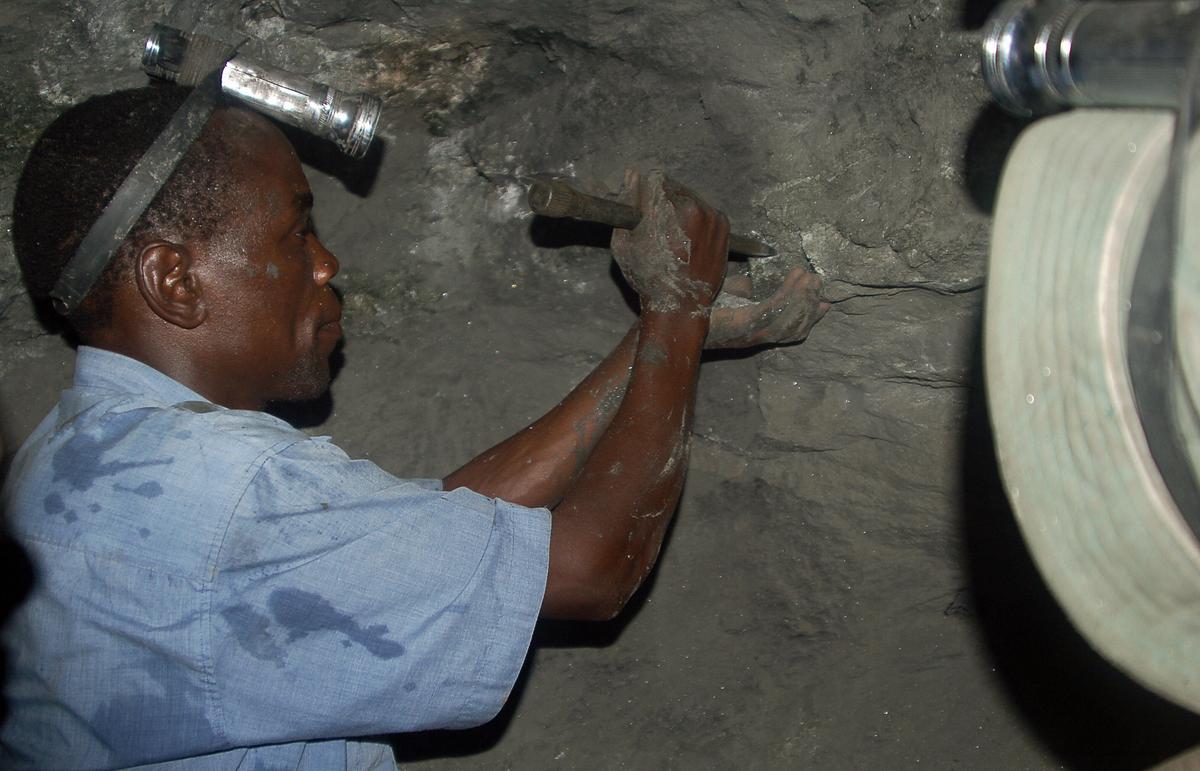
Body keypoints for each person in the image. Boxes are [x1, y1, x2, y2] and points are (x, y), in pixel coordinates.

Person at [0, 84, 826, 769]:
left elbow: (432, 540)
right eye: (296, 231)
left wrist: (662, 336)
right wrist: (678, 306)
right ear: (173, 280)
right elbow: (589, 569)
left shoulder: (75, 462)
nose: (327, 264)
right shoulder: (225, 494)